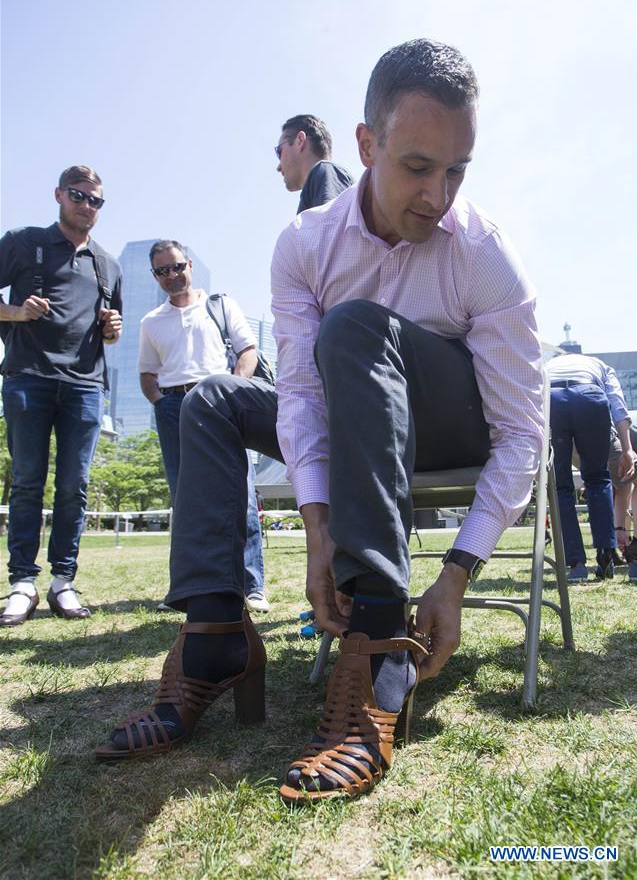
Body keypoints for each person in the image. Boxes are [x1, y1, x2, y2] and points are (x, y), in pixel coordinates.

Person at [96, 39, 544, 805]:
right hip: (348, 418)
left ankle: (377, 643)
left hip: (446, 423)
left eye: (456, 170)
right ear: (366, 146)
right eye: (416, 167)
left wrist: (457, 571)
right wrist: (315, 528)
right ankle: (213, 637)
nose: (438, 196)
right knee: (206, 399)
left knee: (355, 328)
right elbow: (298, 395)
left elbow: (520, 434)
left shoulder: (481, 251)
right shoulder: (305, 244)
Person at [0, 165, 122, 627]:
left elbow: (109, 329)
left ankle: (62, 581)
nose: (87, 206)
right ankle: (22, 583)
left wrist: (113, 330)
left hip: (86, 386)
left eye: (96, 200)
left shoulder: (107, 264)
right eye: (79, 196)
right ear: (58, 195)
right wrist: (15, 311)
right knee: (28, 481)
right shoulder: (22, 241)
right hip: (28, 376)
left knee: (75, 486)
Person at [137, 240, 270, 613]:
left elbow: (248, 351)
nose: (171, 275)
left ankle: (252, 584)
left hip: (219, 402)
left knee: (239, 492)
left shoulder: (220, 305)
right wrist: (162, 403)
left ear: (189, 265)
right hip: (173, 405)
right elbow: (147, 374)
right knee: (185, 498)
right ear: (155, 276)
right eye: (162, 270)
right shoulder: (150, 322)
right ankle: (190, 587)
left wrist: (234, 389)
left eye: (176, 266)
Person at [547, 353, 635, 582]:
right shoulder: (602, 366)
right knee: (598, 479)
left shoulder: (548, 365)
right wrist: (627, 449)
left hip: (551, 399)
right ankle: (606, 553)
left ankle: (576, 564)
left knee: (561, 487)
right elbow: (617, 403)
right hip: (590, 397)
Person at [275, 114, 354, 213]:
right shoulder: (316, 188)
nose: (278, 167)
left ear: (300, 140)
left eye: (279, 151)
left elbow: (331, 225)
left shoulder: (325, 170)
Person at [610, 414, 637, 581]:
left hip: (585, 436)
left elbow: (623, 485)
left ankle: (614, 547)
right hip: (609, 437)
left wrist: (619, 528)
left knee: (630, 480)